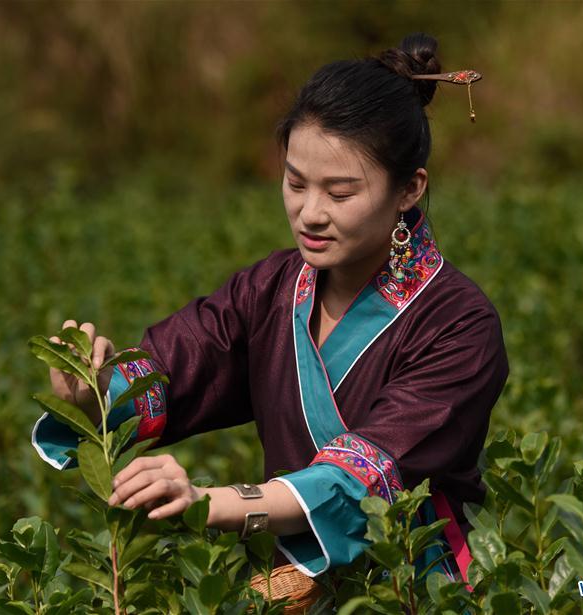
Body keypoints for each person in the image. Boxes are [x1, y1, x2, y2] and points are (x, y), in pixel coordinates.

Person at [31, 32, 509, 591]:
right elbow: (177, 364)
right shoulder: (269, 290)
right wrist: (96, 388)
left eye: (340, 193)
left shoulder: (459, 323)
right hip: (285, 586)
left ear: (409, 189)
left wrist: (209, 503)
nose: (310, 213)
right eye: (295, 182)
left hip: (416, 589)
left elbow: (365, 476)